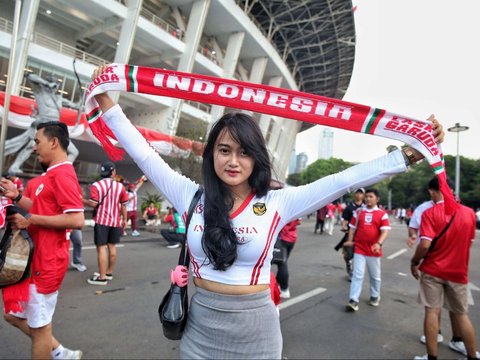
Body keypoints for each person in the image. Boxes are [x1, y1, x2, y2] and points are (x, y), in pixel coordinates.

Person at [91, 64, 444, 359]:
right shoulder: (190, 196)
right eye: (224, 150)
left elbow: (344, 180)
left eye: (244, 152)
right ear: (211, 153)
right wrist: (105, 97)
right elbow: (144, 154)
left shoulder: (278, 202)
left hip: (256, 334)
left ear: (256, 157)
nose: (233, 161)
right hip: (199, 331)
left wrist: (409, 154)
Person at [0, 121, 84, 359]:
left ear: (54, 142)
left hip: (46, 263)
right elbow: (39, 208)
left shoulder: (64, 175)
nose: (34, 147)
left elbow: (77, 220)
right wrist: (16, 196)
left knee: (40, 328)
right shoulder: (50, 175)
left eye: (37, 141)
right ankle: (60, 353)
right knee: (14, 316)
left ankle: (58, 353)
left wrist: (31, 220)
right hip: (31, 260)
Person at [411, 177, 478, 360]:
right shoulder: (469, 213)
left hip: (433, 270)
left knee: (432, 311)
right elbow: (469, 242)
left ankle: (432, 357)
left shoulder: (430, 213)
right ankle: (472, 356)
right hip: (458, 272)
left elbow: (425, 245)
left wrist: (414, 261)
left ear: (432, 191)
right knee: (461, 314)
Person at [344, 188, 390, 312]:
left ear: (377, 199)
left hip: (373, 250)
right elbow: (352, 228)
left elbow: (385, 231)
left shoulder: (382, 214)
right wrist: (350, 240)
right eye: (367, 196)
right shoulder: (358, 212)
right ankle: (353, 300)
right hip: (359, 248)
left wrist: (379, 243)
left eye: (371, 197)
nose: (368, 199)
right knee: (357, 275)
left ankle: (375, 296)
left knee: (375, 276)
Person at [85, 162, 128, 285]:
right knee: (112, 247)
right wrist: (124, 220)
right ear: (113, 172)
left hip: (101, 221)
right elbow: (123, 205)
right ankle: (108, 273)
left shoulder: (96, 186)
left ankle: (102, 277)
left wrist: (81, 199)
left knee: (101, 248)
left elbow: (93, 203)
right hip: (115, 222)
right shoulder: (120, 187)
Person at [335, 188, 365, 280]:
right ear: (354, 194)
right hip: (350, 233)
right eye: (357, 193)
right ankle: (350, 270)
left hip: (362, 234)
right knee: (348, 254)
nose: (358, 195)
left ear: (363, 195)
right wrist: (344, 227)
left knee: (360, 254)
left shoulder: (365, 207)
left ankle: (357, 272)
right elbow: (345, 219)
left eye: (360, 193)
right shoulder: (349, 207)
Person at [275, 219, 301, 299]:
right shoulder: (295, 208)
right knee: (282, 262)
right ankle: (277, 284)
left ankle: (284, 289)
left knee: (282, 264)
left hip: (282, 238)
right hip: (292, 238)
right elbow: (299, 222)